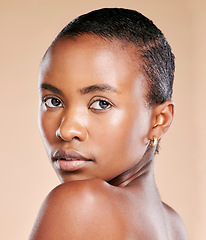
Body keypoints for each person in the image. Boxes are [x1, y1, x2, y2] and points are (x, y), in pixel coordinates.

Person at [29, 8, 188, 239]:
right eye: (53, 101)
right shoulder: (174, 226)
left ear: (158, 121)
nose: (66, 130)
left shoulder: (79, 203)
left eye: (101, 104)